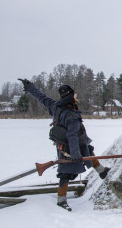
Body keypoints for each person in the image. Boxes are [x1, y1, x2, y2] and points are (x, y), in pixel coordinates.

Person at [18, 79, 111, 211]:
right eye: (74, 94)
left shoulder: (55, 106)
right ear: (70, 97)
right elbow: (71, 135)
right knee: (65, 173)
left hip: (74, 144)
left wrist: (30, 87)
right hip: (70, 146)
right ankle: (61, 200)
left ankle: (101, 171)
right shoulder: (71, 115)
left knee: (89, 151)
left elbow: (41, 97)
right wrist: (75, 154)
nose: (76, 96)